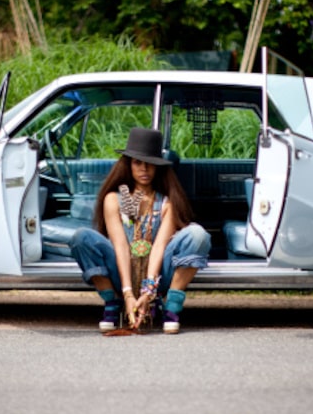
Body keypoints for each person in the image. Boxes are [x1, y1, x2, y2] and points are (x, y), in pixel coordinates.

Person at [70, 128, 211, 334]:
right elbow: (120, 247)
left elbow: (159, 248)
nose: (144, 169)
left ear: (158, 168)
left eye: (150, 164)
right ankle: (112, 302)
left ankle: (171, 306)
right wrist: (127, 293)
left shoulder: (166, 202)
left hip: (159, 274)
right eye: (137, 163)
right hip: (122, 272)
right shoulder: (113, 199)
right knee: (81, 237)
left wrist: (149, 290)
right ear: (128, 165)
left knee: (197, 235)